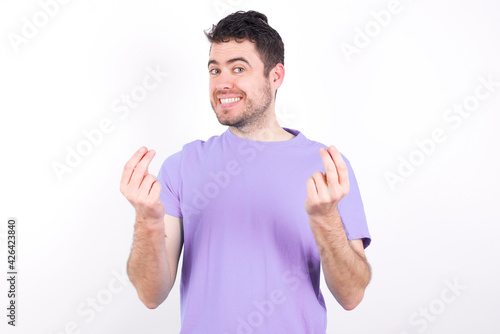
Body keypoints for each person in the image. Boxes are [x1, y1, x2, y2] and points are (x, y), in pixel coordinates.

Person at [120, 10, 371, 333]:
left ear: (276, 76)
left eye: (239, 68)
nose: (223, 83)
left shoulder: (326, 167)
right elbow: (150, 294)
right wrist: (147, 221)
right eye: (215, 70)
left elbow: (352, 295)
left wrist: (326, 220)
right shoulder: (182, 165)